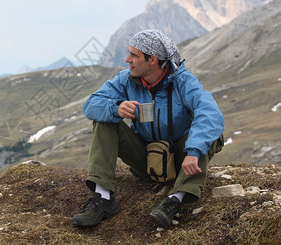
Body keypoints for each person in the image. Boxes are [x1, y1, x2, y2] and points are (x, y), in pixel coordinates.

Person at [72, 29, 224, 228]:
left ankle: (176, 199)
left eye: (134, 55)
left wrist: (194, 150)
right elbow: (91, 105)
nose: (127, 60)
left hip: (182, 162)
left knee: (210, 134)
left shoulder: (184, 81)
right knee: (103, 120)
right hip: (144, 159)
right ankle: (103, 197)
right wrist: (115, 108)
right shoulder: (125, 80)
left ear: (152, 59)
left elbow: (211, 113)